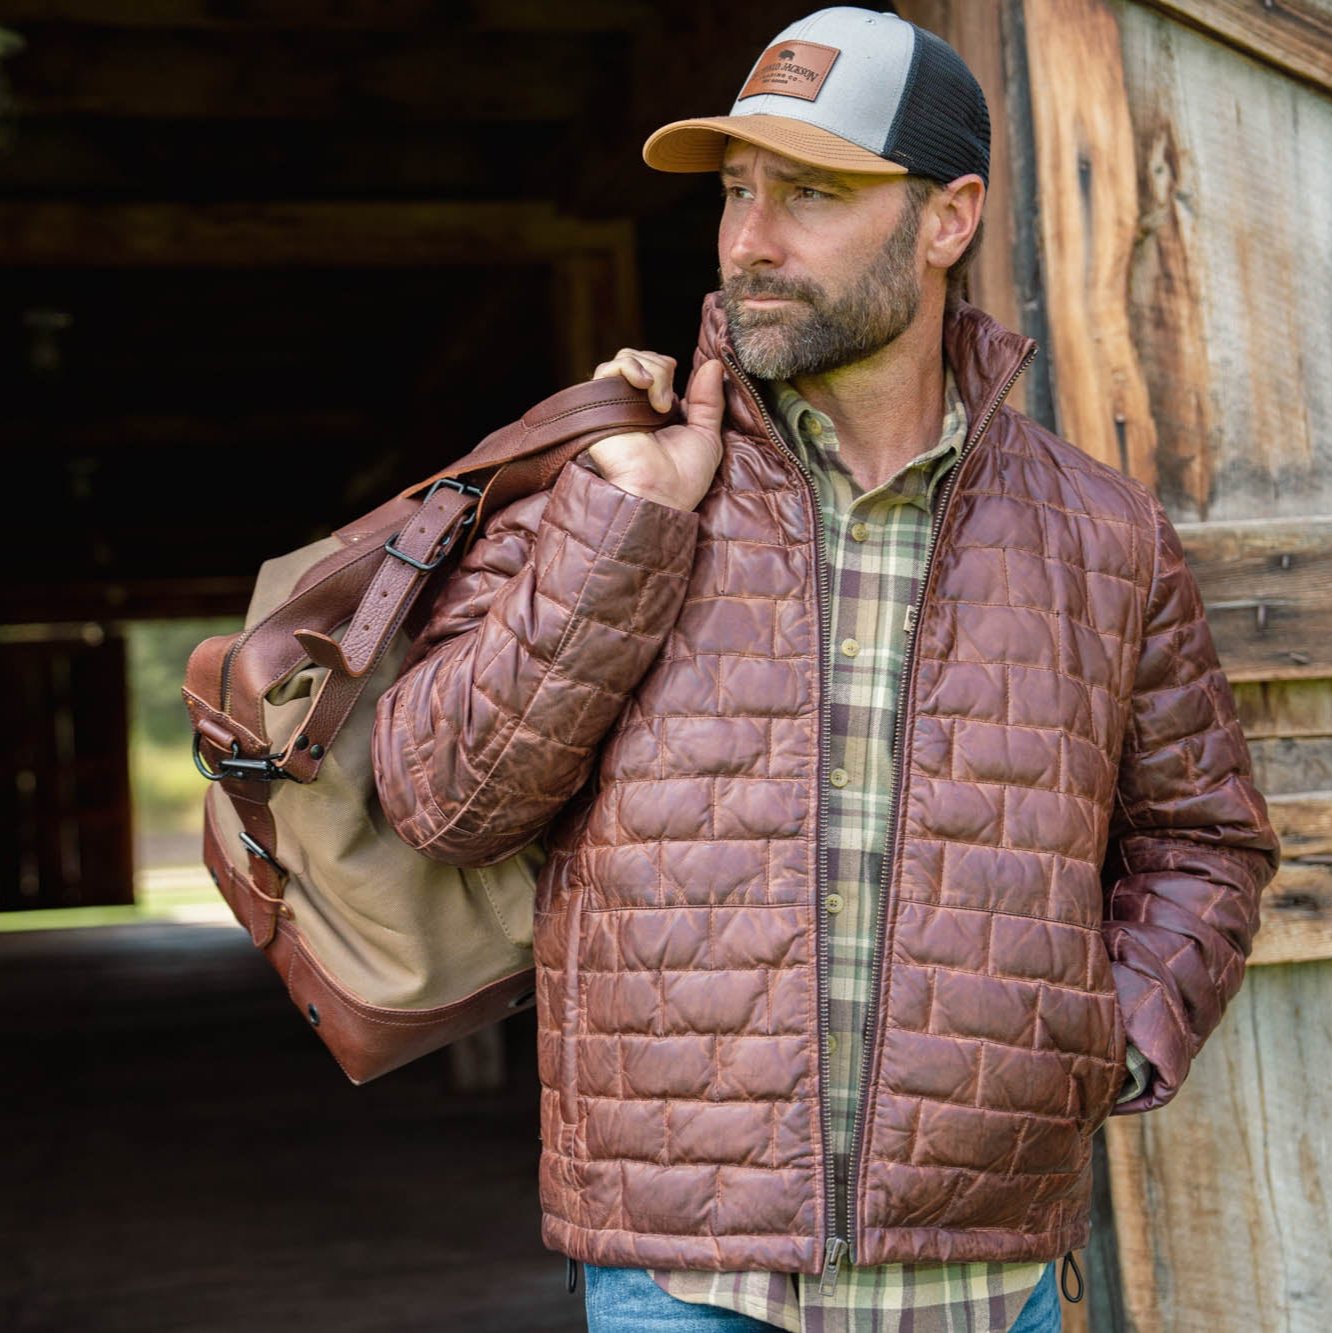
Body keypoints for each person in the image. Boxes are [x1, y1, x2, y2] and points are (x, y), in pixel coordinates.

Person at [371, 8, 1280, 1331]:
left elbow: (1205, 837)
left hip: (985, 1273)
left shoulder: (1104, 534)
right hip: (682, 1276)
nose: (751, 239)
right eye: (737, 191)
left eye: (810, 192)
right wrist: (624, 532)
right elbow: (441, 801)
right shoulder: (610, 479)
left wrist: (1105, 1039)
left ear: (948, 218)